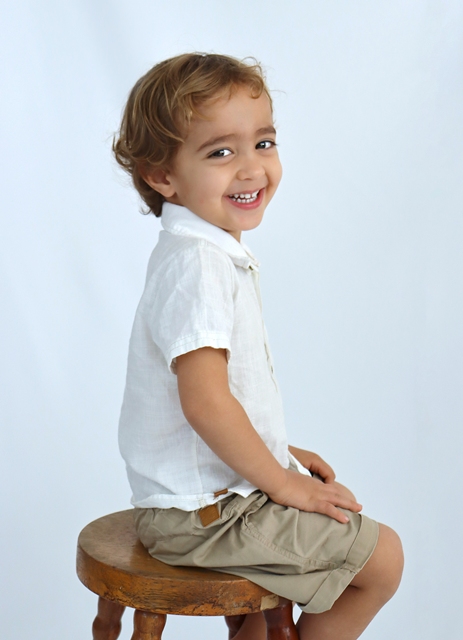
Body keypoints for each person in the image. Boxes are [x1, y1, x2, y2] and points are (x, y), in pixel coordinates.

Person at [113, 53, 403, 640]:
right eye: (221, 152)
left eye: (263, 143)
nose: (251, 168)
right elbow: (204, 402)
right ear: (162, 176)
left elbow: (213, 400)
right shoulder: (199, 264)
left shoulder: (203, 251)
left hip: (203, 500)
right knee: (382, 559)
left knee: (323, 545)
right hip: (202, 517)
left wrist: (278, 450)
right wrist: (283, 482)